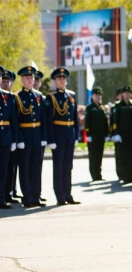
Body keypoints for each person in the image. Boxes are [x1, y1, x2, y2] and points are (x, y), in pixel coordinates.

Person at [46, 68, 80, 205]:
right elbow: (49, 120)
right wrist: (51, 139)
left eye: (63, 79)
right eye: (59, 79)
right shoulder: (51, 97)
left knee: (68, 166)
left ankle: (68, 194)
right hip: (58, 136)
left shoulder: (71, 95)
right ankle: (60, 195)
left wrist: (76, 135)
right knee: (59, 166)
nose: (61, 81)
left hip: (69, 135)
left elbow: (75, 117)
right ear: (55, 81)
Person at [15, 66, 47, 208]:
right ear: (22, 80)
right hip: (25, 136)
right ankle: (27, 196)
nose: (29, 80)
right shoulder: (17, 97)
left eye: (32, 78)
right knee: (25, 167)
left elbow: (44, 119)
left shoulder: (39, 96)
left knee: (36, 167)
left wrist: (44, 137)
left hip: (37, 137)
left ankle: (36, 195)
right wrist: (19, 139)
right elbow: (16, 121)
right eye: (27, 78)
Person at [110, 86, 132, 184]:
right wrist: (115, 133)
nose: (127, 94)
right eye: (125, 93)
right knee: (123, 156)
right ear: (122, 94)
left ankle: (130, 177)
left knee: (131, 156)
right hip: (121, 135)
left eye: (129, 93)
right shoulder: (117, 106)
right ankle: (124, 176)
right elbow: (114, 120)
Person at [0, 68, 18, 209]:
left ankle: (2, 198)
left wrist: (14, 139)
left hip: (5, 137)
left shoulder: (8, 97)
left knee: (3, 169)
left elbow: (14, 120)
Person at [85, 87, 109, 182]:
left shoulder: (101, 107)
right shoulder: (90, 108)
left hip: (101, 135)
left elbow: (105, 122)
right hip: (93, 136)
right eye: (96, 95)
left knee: (99, 155)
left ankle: (98, 174)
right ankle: (94, 175)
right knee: (93, 156)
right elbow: (87, 122)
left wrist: (107, 134)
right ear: (92, 96)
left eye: (99, 95)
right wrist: (88, 134)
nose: (98, 97)